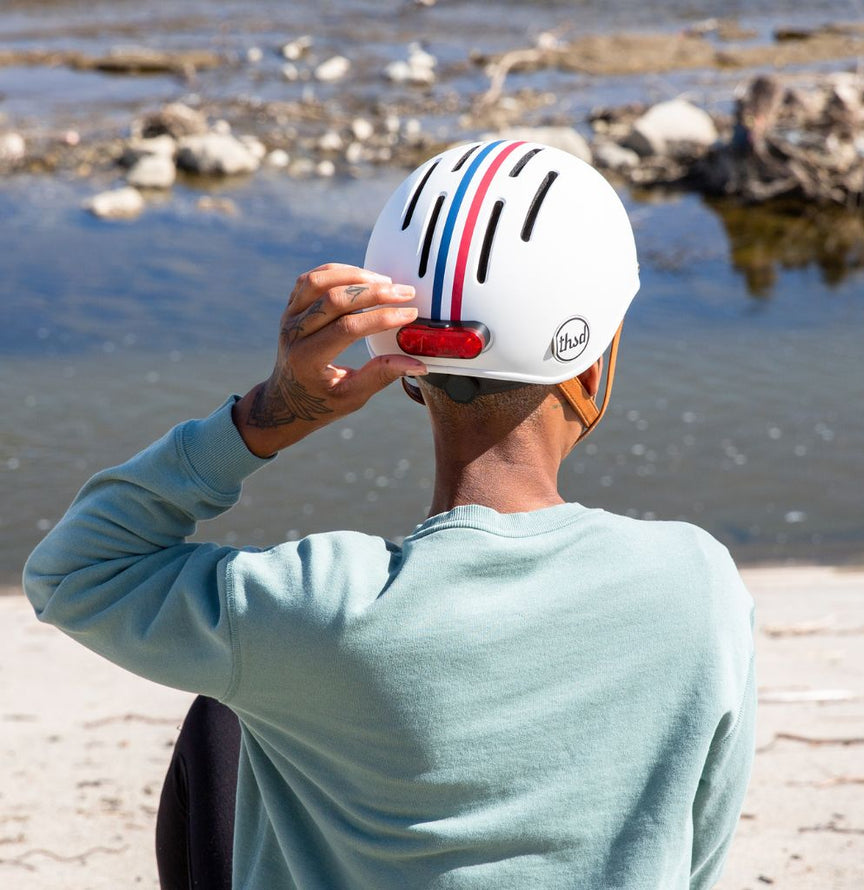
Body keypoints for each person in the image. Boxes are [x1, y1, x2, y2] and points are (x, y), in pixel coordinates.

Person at [24, 140, 755, 890]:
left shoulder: (311, 607)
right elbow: (695, 855)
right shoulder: (697, 586)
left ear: (408, 370)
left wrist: (270, 415)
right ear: (592, 364)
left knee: (229, 713)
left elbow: (74, 570)